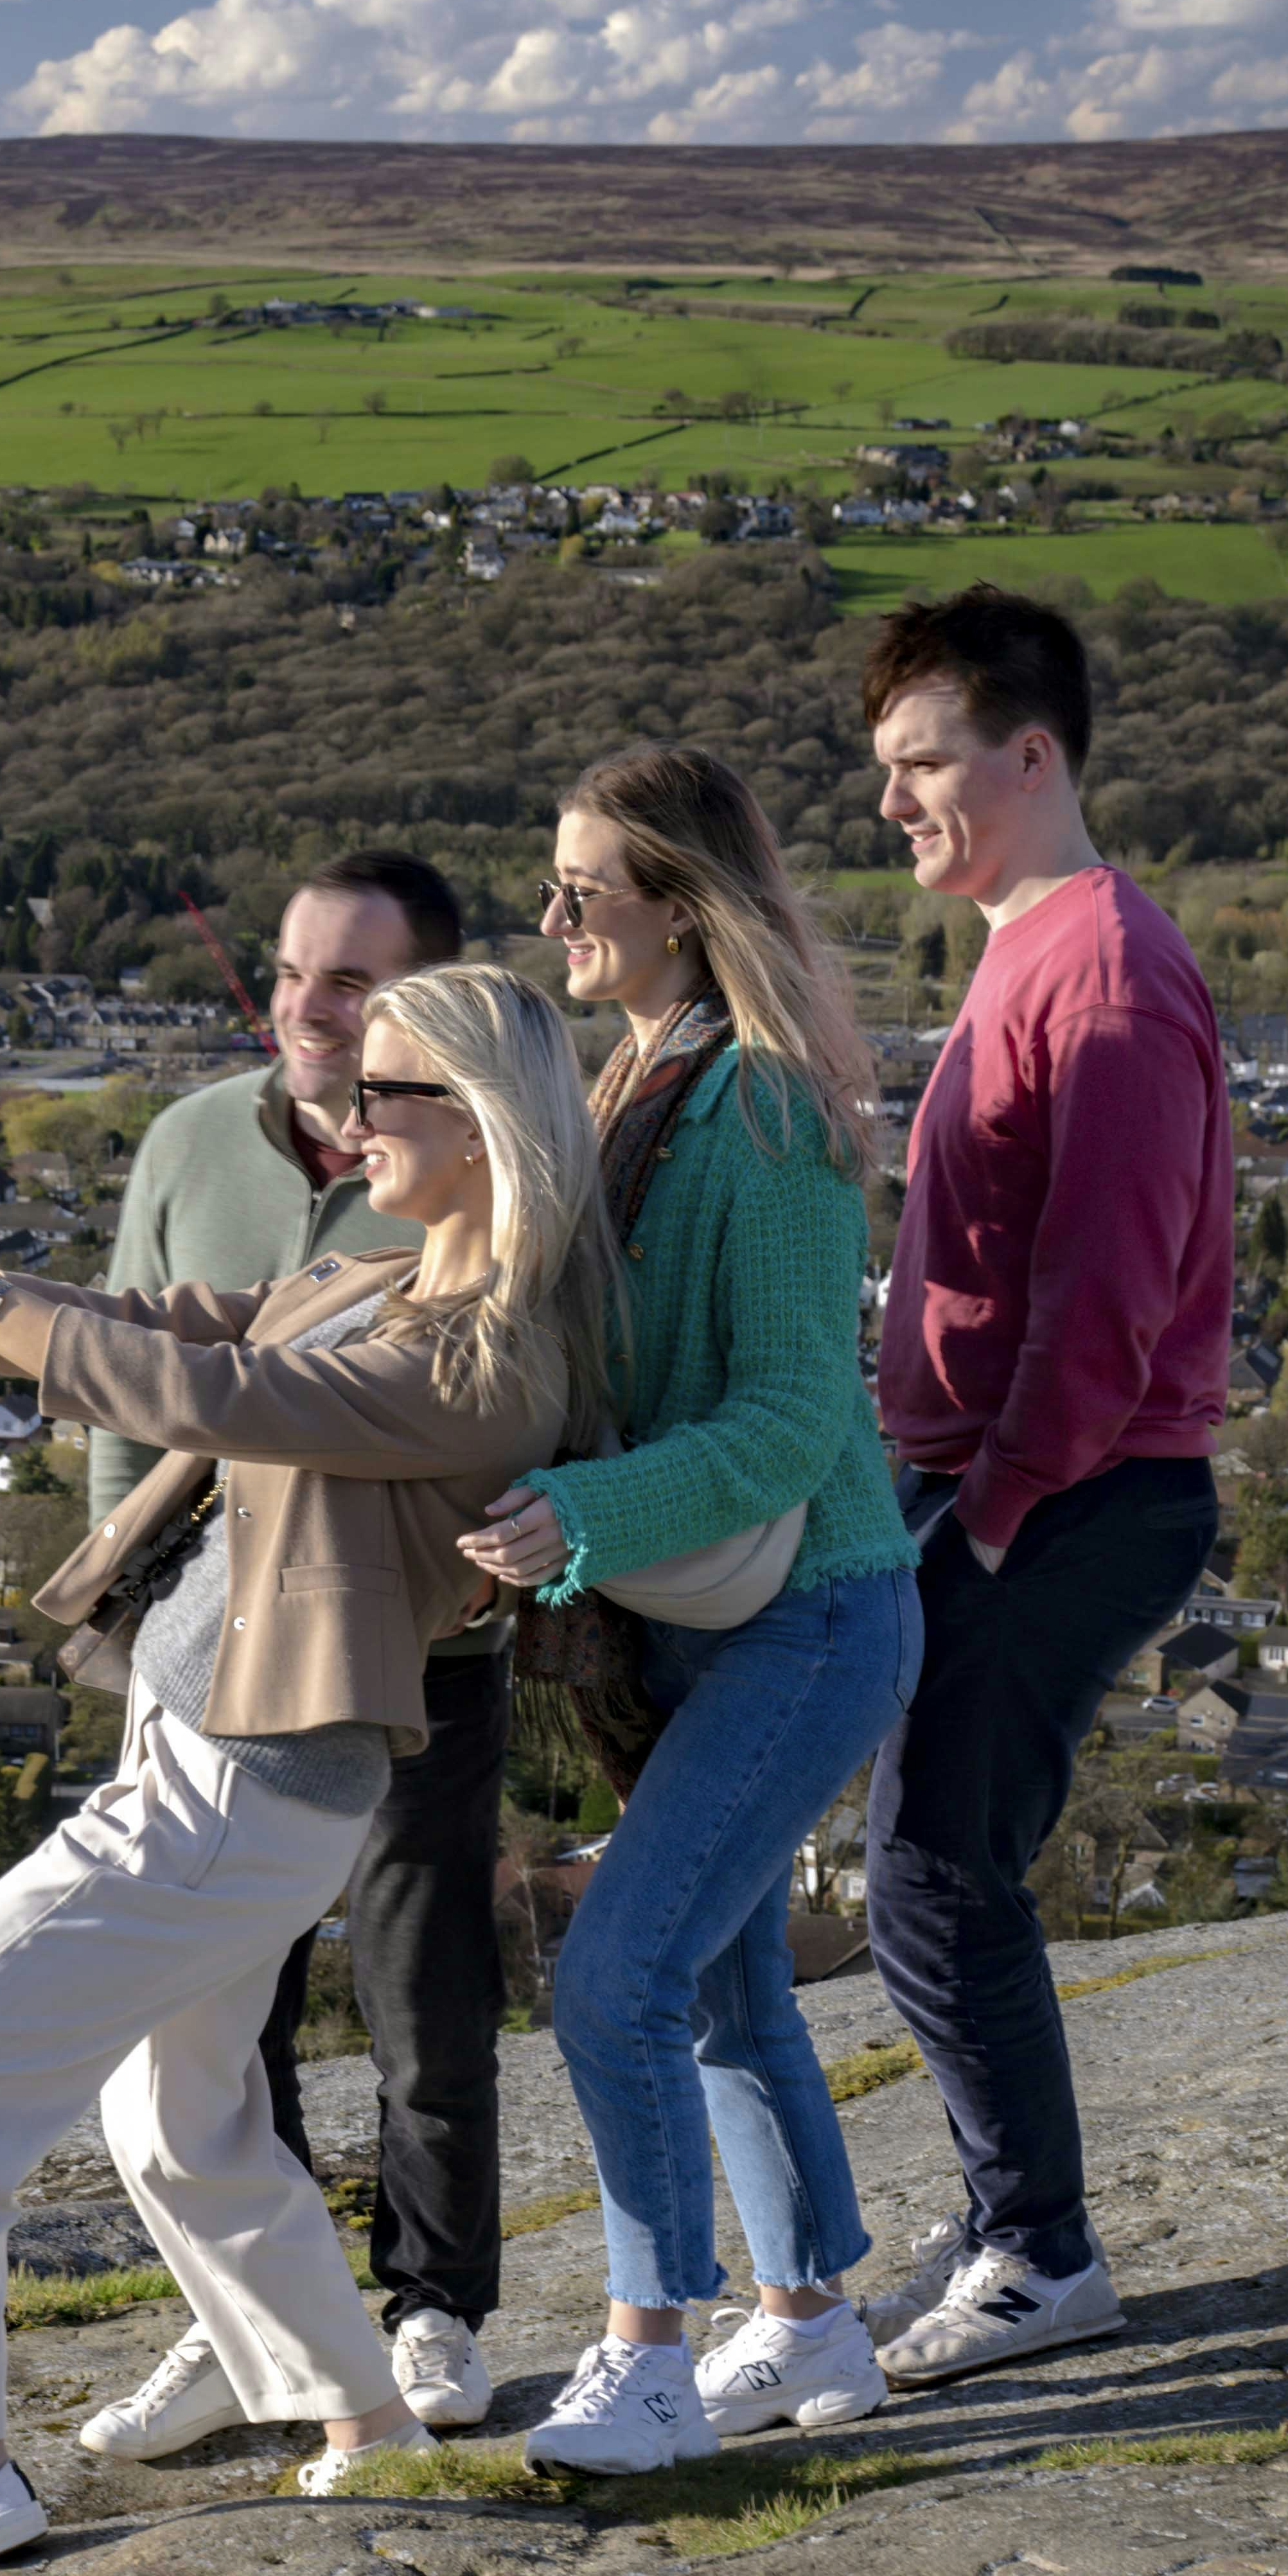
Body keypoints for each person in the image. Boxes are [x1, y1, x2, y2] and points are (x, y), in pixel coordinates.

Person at [0, 963, 610, 2576]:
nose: (349, 1118)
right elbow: (172, 1332)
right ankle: (364, 2421)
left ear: (487, 1122)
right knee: (184, 2120)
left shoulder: (488, 1365)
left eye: (389, 1093)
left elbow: (215, 1399)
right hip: (207, 1757)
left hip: (244, 1786)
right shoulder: (368, 1270)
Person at [461, 748, 921, 2475]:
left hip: (808, 1613)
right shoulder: (633, 1081)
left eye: (582, 887)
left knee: (616, 1977)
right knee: (723, 1984)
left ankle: (647, 2352)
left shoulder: (766, 1112)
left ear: (678, 903)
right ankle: (808, 2331)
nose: (552, 914)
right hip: (706, 1619)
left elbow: (799, 1419)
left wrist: (578, 1511)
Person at [79, 848, 520, 2456]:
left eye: (346, 982)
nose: (303, 1009)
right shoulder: (193, 1141)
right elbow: (131, 1369)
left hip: (418, 1647)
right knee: (210, 2009)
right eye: (287, 972)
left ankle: (434, 2310)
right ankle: (245, 2325)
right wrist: (124, 1612)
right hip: (215, 1652)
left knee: (425, 1984)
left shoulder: (473, 1166)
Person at [856, 586, 1233, 2385]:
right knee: (938, 1862)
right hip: (1022, 1484)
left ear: (1031, 753)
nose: (892, 799)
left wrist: (994, 1505)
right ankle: (1014, 2215)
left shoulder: (1096, 968)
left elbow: (1108, 1287)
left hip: (1070, 1494)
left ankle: (1037, 2249)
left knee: (931, 1872)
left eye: (921, 760)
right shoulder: (1027, 945)